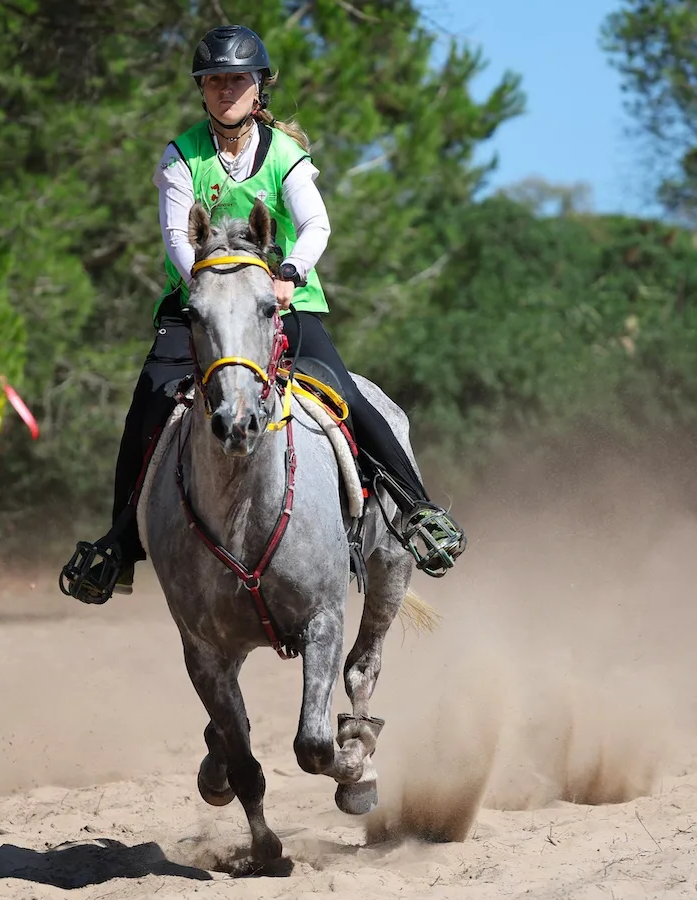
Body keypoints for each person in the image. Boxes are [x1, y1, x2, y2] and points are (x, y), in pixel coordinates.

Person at [62, 24, 467, 605]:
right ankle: (119, 545)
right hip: (200, 304)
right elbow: (177, 238)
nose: (227, 89)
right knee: (150, 396)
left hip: (281, 299)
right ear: (202, 90)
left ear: (259, 88)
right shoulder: (180, 158)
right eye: (215, 80)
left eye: (238, 79)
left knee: (343, 393)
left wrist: (290, 276)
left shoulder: (284, 154)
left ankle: (417, 509)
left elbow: (316, 225)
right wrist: (202, 282)